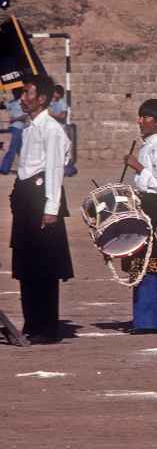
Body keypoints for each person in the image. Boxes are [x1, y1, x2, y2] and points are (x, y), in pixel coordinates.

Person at [9, 75, 72, 344]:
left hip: (42, 198)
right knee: (27, 263)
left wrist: (51, 208)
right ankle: (31, 322)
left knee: (44, 265)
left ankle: (46, 327)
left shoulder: (52, 129)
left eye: (28, 93)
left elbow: (55, 169)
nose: (23, 98)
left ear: (42, 99)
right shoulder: (29, 128)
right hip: (27, 197)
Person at [123, 99, 157, 334]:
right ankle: (142, 318)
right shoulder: (146, 146)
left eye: (146, 117)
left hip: (155, 206)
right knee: (138, 258)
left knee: (150, 261)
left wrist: (137, 167)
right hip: (142, 204)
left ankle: (150, 320)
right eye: (140, 116)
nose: (140, 121)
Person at [0, 88, 28, 174]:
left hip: (18, 128)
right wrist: (3, 96)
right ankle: (27, 167)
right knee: (20, 150)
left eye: (15, 91)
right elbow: (3, 105)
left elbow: (25, 116)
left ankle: (4, 168)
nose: (14, 93)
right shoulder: (12, 102)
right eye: (13, 91)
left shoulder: (23, 102)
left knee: (12, 148)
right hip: (13, 128)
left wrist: (14, 119)